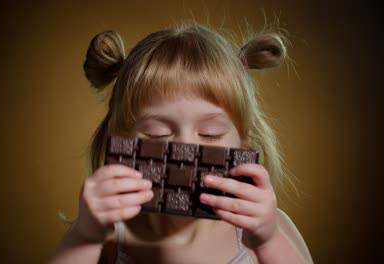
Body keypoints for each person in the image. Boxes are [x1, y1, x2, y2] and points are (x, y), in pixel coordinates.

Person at [51, 21, 313, 264]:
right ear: (120, 141)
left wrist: (269, 241)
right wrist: (86, 236)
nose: (187, 149)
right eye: (157, 133)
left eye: (211, 133)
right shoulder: (106, 232)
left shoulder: (266, 227)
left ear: (243, 142)